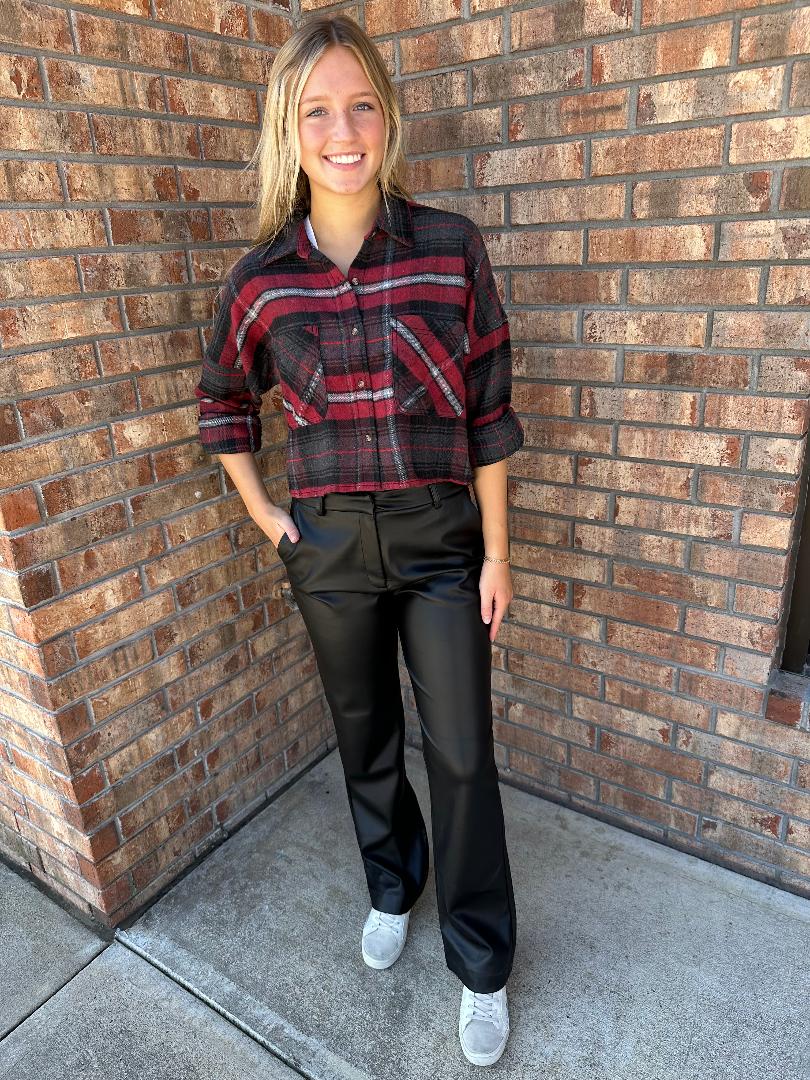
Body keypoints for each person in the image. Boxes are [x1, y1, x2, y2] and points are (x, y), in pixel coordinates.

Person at [194, 14, 523, 1068]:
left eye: (361, 105)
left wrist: (497, 554)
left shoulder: (448, 247)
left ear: (388, 115)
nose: (344, 132)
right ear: (288, 132)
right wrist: (265, 514)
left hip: (440, 541)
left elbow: (490, 412)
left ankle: (481, 962)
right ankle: (393, 884)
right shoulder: (261, 279)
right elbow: (222, 402)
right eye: (317, 111)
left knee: (461, 752)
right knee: (364, 735)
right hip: (329, 543)